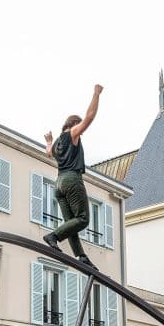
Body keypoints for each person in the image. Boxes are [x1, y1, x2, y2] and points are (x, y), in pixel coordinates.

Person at [42, 84, 103, 268]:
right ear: (72, 125)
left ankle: (81, 256)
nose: (80, 133)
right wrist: (96, 94)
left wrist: (50, 142)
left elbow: (49, 153)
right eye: (78, 128)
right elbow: (89, 118)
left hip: (59, 184)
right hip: (71, 180)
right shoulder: (71, 133)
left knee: (71, 223)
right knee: (83, 218)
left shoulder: (58, 142)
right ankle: (53, 236)